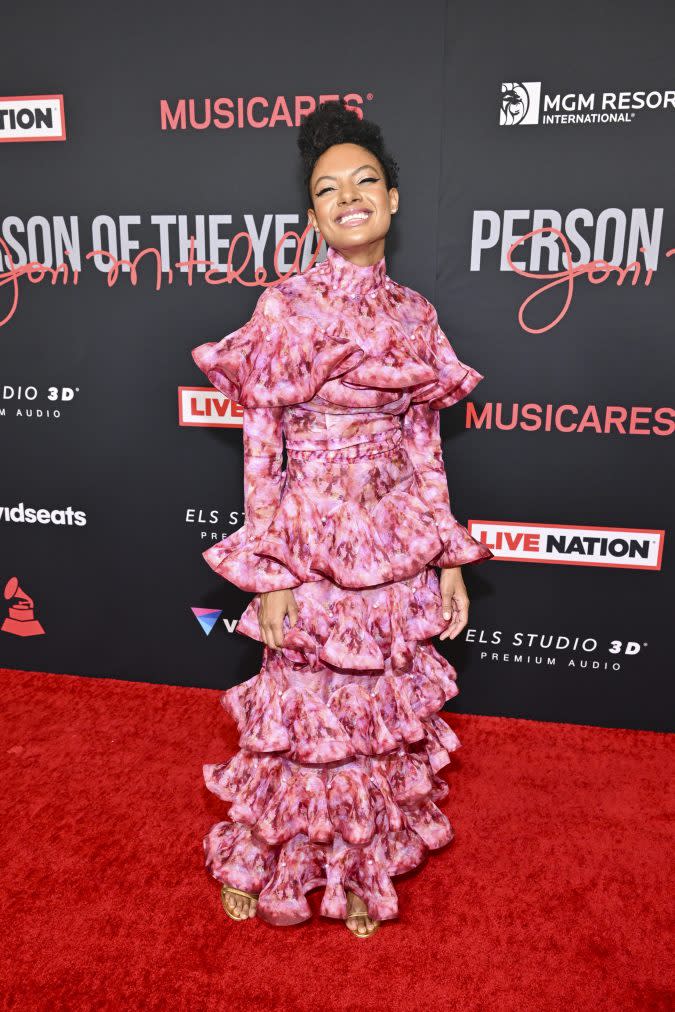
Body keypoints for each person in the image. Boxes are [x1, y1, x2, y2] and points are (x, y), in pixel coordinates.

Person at [191, 99, 494, 939]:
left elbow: (426, 446)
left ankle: (361, 864)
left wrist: (448, 558)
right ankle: (271, 855)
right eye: (328, 189)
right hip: (310, 535)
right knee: (302, 712)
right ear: (314, 214)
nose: (348, 196)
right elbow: (262, 448)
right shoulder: (285, 306)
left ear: (392, 199)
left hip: (394, 538)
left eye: (365, 180)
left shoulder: (415, 316)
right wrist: (270, 572)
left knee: (375, 713)